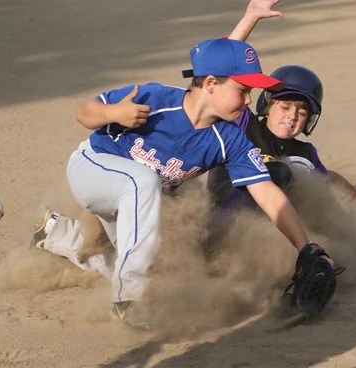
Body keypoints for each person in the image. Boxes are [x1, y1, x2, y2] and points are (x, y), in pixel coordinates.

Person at [31, 33, 337, 330]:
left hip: (134, 201)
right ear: (211, 84)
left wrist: (306, 248)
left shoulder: (228, 139)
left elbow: (267, 194)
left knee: (159, 268)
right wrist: (113, 112)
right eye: (243, 90)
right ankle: (128, 300)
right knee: (144, 181)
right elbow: (84, 112)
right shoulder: (157, 99)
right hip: (93, 169)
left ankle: (59, 235)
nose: (248, 100)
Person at [207, 0, 356, 209]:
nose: (292, 116)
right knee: (280, 172)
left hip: (267, 225)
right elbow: (223, 68)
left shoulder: (304, 153)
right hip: (222, 214)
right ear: (267, 104)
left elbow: (327, 178)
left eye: (302, 112)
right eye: (285, 107)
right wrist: (250, 18)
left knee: (300, 172)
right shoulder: (244, 124)